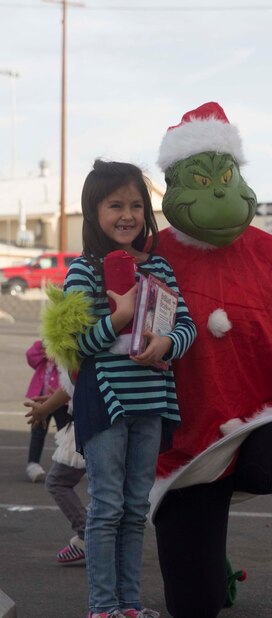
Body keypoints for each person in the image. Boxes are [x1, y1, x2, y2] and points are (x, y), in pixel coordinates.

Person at [150, 102, 272, 618]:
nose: (219, 193)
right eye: (203, 180)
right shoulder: (152, 256)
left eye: (226, 177)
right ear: (174, 183)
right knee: (193, 605)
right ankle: (212, 568)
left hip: (259, 425)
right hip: (183, 449)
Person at [65, 159, 196, 618]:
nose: (127, 214)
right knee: (106, 508)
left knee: (137, 507)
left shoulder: (158, 265)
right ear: (93, 212)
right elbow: (77, 343)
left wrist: (167, 341)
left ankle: (130, 604)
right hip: (106, 399)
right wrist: (120, 316)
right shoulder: (83, 269)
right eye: (115, 204)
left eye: (136, 205)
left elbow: (185, 325)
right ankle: (103, 607)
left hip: (153, 399)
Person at [24, 377, 88, 564]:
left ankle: (89, 537)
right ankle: (105, 541)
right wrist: (52, 401)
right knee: (113, 488)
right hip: (111, 417)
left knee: (58, 481)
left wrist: (45, 409)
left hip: (93, 421)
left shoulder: (79, 346)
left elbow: (76, 378)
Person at [23, 339, 70, 483]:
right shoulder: (42, 357)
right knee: (37, 432)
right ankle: (33, 464)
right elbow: (30, 356)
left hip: (60, 401)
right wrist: (44, 344)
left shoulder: (66, 353)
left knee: (65, 433)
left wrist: (59, 353)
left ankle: (67, 464)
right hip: (41, 400)